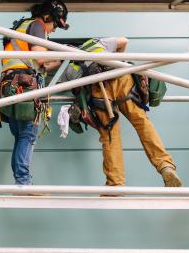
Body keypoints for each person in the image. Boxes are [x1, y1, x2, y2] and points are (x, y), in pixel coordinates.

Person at [58, 36, 182, 188]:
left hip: (99, 90)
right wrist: (117, 58)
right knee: (142, 123)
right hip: (122, 78)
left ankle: (115, 183)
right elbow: (123, 41)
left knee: (110, 135)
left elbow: (67, 84)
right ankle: (165, 166)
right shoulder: (95, 44)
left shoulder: (67, 68)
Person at [0, 0, 69, 185]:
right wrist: (64, 55)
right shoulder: (37, 26)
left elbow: (37, 62)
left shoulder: (20, 27)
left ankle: (20, 181)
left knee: (21, 136)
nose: (53, 30)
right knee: (28, 135)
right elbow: (40, 58)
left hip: (11, 86)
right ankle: (23, 182)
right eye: (54, 24)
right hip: (25, 85)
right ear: (47, 17)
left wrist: (59, 61)